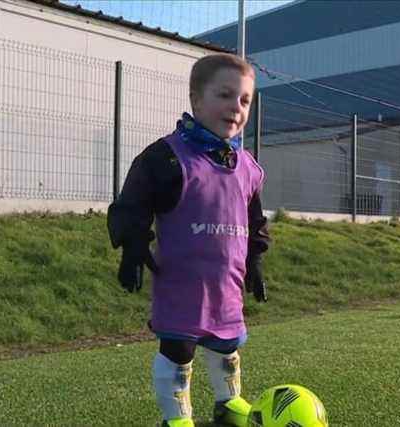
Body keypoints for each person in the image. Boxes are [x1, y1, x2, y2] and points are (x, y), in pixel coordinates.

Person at [107, 53, 270, 427]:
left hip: (226, 281)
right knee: (179, 349)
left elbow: (254, 219)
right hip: (182, 281)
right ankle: (177, 418)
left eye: (245, 100)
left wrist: (256, 260)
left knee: (228, 345)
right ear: (197, 100)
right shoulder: (168, 157)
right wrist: (132, 247)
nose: (236, 107)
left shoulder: (247, 167)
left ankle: (228, 403)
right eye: (225, 95)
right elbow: (134, 202)